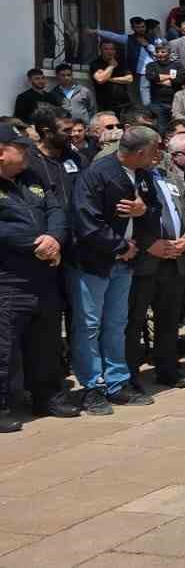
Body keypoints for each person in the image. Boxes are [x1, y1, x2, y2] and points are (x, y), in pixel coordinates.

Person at [69, 125, 162, 413]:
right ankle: (91, 386)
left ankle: (117, 382)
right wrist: (120, 247)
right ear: (141, 152)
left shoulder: (144, 176)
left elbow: (156, 211)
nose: (159, 155)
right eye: (155, 149)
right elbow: (86, 222)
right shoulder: (96, 174)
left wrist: (142, 211)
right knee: (88, 326)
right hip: (94, 264)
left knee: (116, 325)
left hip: (125, 265)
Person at [0, 124, 76, 429]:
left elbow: (56, 210)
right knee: (3, 345)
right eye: (22, 147)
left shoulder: (33, 178)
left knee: (45, 341)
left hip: (44, 276)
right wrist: (36, 242)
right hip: (9, 279)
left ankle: (47, 396)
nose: (29, 152)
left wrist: (55, 239)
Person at [127, 131, 185, 390]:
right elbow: (127, 220)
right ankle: (130, 376)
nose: (158, 153)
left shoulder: (172, 178)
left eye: (160, 148)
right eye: (153, 148)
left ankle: (168, 369)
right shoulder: (131, 179)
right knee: (134, 321)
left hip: (176, 258)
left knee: (169, 320)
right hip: (146, 261)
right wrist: (149, 245)